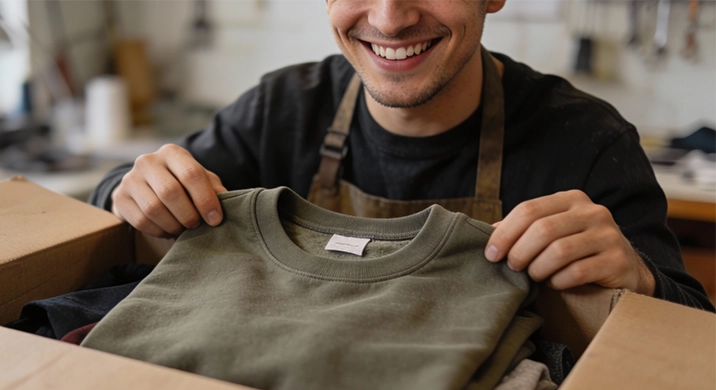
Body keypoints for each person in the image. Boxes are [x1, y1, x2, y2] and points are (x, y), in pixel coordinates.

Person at [89, 0, 713, 312]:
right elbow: (122, 205)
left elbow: (693, 333)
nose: (390, 20)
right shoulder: (282, 109)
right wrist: (128, 189)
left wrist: (640, 280)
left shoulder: (588, 141)